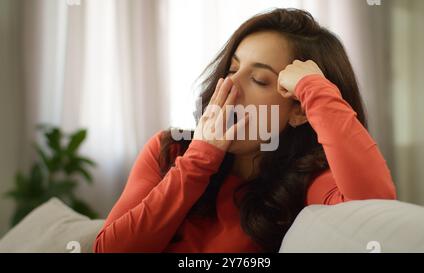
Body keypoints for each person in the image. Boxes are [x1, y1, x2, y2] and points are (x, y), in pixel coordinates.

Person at [93, 8, 397, 253]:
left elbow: (374, 212)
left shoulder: (309, 182)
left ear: (298, 111)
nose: (231, 86)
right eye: (233, 69)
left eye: (260, 80)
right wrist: (199, 160)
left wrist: (315, 90)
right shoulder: (170, 150)